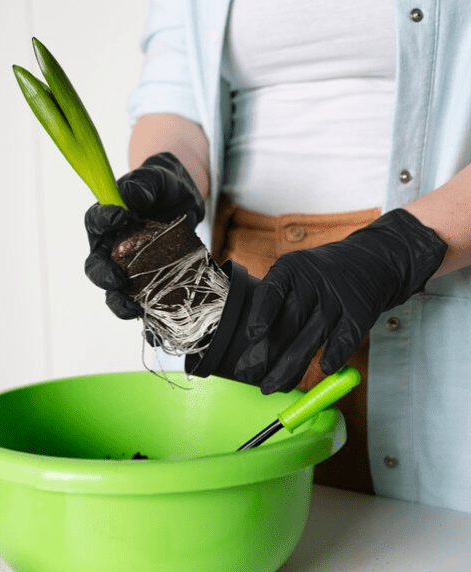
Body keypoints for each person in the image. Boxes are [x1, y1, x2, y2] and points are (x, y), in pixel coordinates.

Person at [84, 0, 471, 514]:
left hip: (432, 267)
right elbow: (175, 94)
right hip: (241, 285)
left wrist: (401, 249)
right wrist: (171, 175)